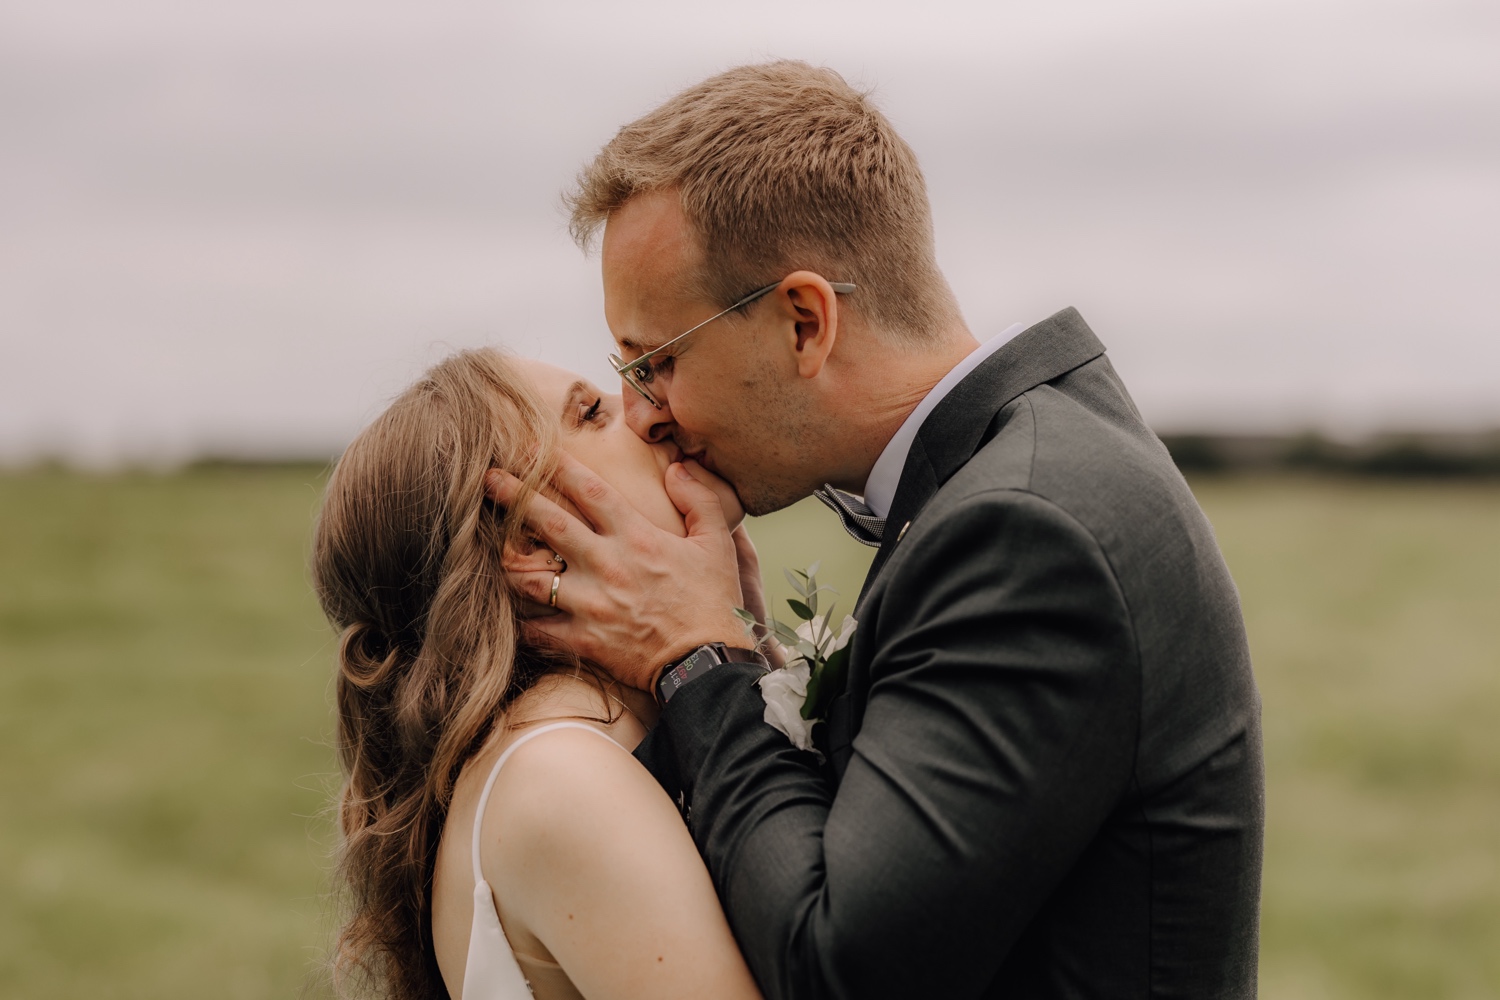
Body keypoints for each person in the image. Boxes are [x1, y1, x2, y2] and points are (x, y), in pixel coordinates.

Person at [489, 61, 1265, 998]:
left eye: (653, 363)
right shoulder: (1009, 476)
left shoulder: (1026, 532)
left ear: (805, 322)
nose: (643, 414)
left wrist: (697, 660)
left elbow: (843, 970)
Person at [310, 348, 764, 1000]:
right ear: (532, 542)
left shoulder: (583, 747)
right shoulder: (559, 778)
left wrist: (736, 654)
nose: (649, 414)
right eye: (592, 412)